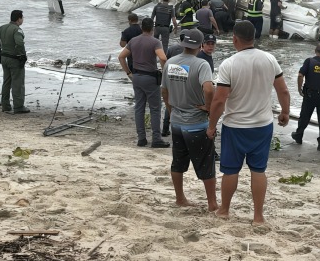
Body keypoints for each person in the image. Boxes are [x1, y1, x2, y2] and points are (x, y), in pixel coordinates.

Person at [206, 20, 291, 224]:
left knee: (230, 170)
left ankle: (225, 209)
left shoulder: (229, 64)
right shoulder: (270, 59)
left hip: (235, 125)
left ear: (234, 39)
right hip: (262, 125)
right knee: (258, 170)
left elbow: (219, 100)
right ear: (254, 37)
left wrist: (211, 126)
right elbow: (283, 90)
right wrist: (285, 112)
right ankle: (258, 216)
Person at [161, 29, 218, 211]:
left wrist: (171, 110)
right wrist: (208, 108)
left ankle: (180, 198)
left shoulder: (170, 63)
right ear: (200, 45)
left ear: (183, 43)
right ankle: (212, 203)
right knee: (205, 165)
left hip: (176, 121)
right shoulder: (201, 64)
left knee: (178, 162)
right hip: (196, 123)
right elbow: (209, 89)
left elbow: (164, 90)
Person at [119, 17, 169, 148]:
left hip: (136, 76)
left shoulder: (134, 41)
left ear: (142, 28)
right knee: (155, 109)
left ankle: (141, 138)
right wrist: (164, 72)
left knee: (139, 108)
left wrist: (128, 73)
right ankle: (156, 139)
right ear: (152, 28)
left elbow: (121, 56)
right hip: (150, 78)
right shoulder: (155, 42)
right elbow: (163, 57)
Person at [0, 10, 29, 113]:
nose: (23, 20)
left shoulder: (2, 28)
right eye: (22, 18)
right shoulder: (17, 30)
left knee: (6, 82)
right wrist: (22, 55)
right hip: (14, 59)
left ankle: (5, 105)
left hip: (4, 58)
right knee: (17, 83)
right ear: (19, 19)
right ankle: (18, 106)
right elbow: (19, 43)